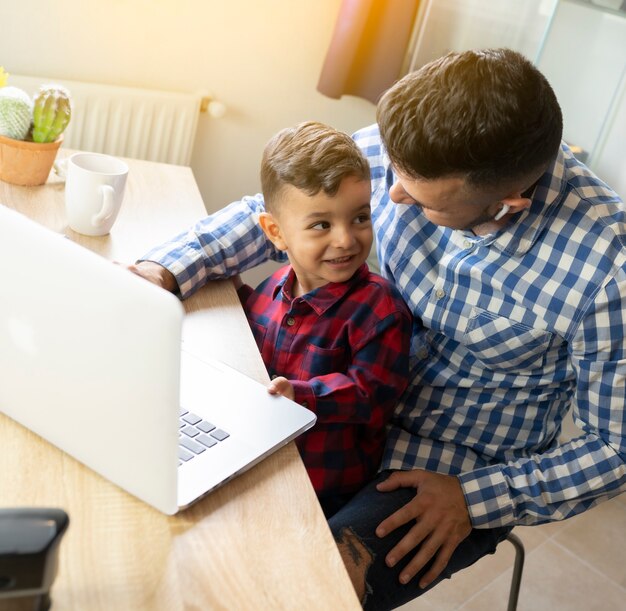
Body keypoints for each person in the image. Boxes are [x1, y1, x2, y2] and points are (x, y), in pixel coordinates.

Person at [129, 48, 626, 610]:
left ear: (508, 202)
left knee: (304, 591)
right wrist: (162, 270)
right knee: (178, 512)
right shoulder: (419, 144)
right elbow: (275, 211)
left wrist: (476, 499)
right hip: (323, 413)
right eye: (393, 172)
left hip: (445, 469)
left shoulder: (609, 266)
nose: (392, 196)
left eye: (422, 198)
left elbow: (617, 447)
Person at [235, 121, 412, 516]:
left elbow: (371, 395)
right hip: (260, 464)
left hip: (324, 489)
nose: (346, 240)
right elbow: (252, 342)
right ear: (276, 232)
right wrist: (234, 297)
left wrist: (304, 394)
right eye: (321, 225)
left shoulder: (381, 309)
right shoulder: (269, 290)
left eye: (360, 218)